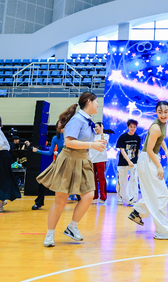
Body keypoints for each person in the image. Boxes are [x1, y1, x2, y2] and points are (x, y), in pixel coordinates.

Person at [36, 91, 107, 247]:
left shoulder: (87, 120)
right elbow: (68, 142)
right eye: (96, 102)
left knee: (89, 195)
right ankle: (50, 234)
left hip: (83, 160)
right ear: (89, 102)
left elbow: (83, 140)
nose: (98, 105)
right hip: (69, 159)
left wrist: (95, 143)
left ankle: (72, 227)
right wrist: (92, 144)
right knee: (61, 200)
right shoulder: (77, 119)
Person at [128, 101, 168, 240]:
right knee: (162, 195)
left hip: (150, 159)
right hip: (148, 159)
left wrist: (166, 152)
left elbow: (160, 140)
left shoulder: (162, 125)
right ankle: (162, 231)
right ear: (156, 112)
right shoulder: (156, 127)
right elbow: (149, 150)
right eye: (160, 112)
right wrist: (159, 166)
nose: (163, 114)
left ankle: (138, 211)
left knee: (156, 194)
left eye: (166, 111)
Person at [31, 121, 66, 210]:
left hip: (69, 162)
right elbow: (50, 153)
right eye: (58, 126)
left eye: (62, 125)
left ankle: (81, 200)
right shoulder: (55, 138)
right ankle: (39, 202)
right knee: (44, 180)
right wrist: (37, 151)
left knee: (75, 181)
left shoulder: (70, 137)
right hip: (58, 162)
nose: (60, 127)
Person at [116, 119, 141, 206]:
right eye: (131, 127)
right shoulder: (123, 137)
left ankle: (132, 199)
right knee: (122, 181)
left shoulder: (137, 138)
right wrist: (128, 161)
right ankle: (120, 198)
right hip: (123, 162)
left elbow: (138, 151)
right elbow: (122, 150)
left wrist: (138, 161)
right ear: (128, 127)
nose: (132, 128)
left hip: (134, 162)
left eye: (134, 127)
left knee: (134, 180)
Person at [90, 122, 109, 204]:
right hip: (92, 159)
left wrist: (101, 132)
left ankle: (103, 197)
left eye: (97, 126)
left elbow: (103, 141)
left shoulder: (105, 135)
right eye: (94, 127)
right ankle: (94, 196)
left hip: (101, 159)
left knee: (101, 179)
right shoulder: (91, 136)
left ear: (101, 127)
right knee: (93, 179)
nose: (95, 128)